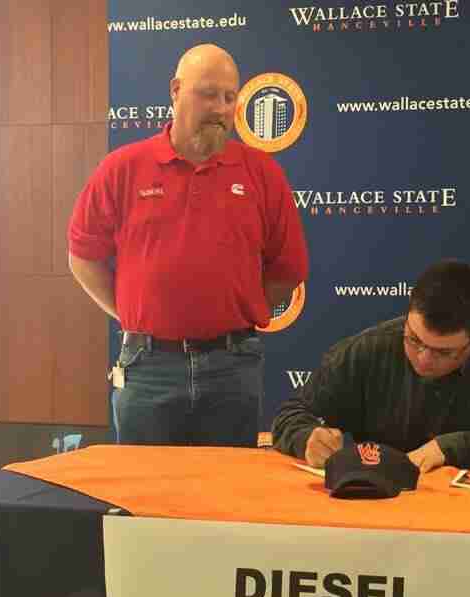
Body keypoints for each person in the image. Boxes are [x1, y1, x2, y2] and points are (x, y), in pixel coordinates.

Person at [67, 44, 308, 446]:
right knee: (144, 485)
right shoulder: (122, 168)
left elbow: (289, 268)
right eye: (209, 94)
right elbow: (82, 256)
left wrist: (236, 310)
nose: (221, 109)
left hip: (232, 367)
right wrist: (130, 311)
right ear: (176, 91)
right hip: (147, 368)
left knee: (225, 486)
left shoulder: (262, 173)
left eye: (229, 97)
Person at [273, 260, 470, 472]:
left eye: (444, 352)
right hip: (389, 515)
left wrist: (451, 448)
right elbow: (291, 415)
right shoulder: (369, 349)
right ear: (408, 316)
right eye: (414, 339)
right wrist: (306, 438)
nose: (423, 358)